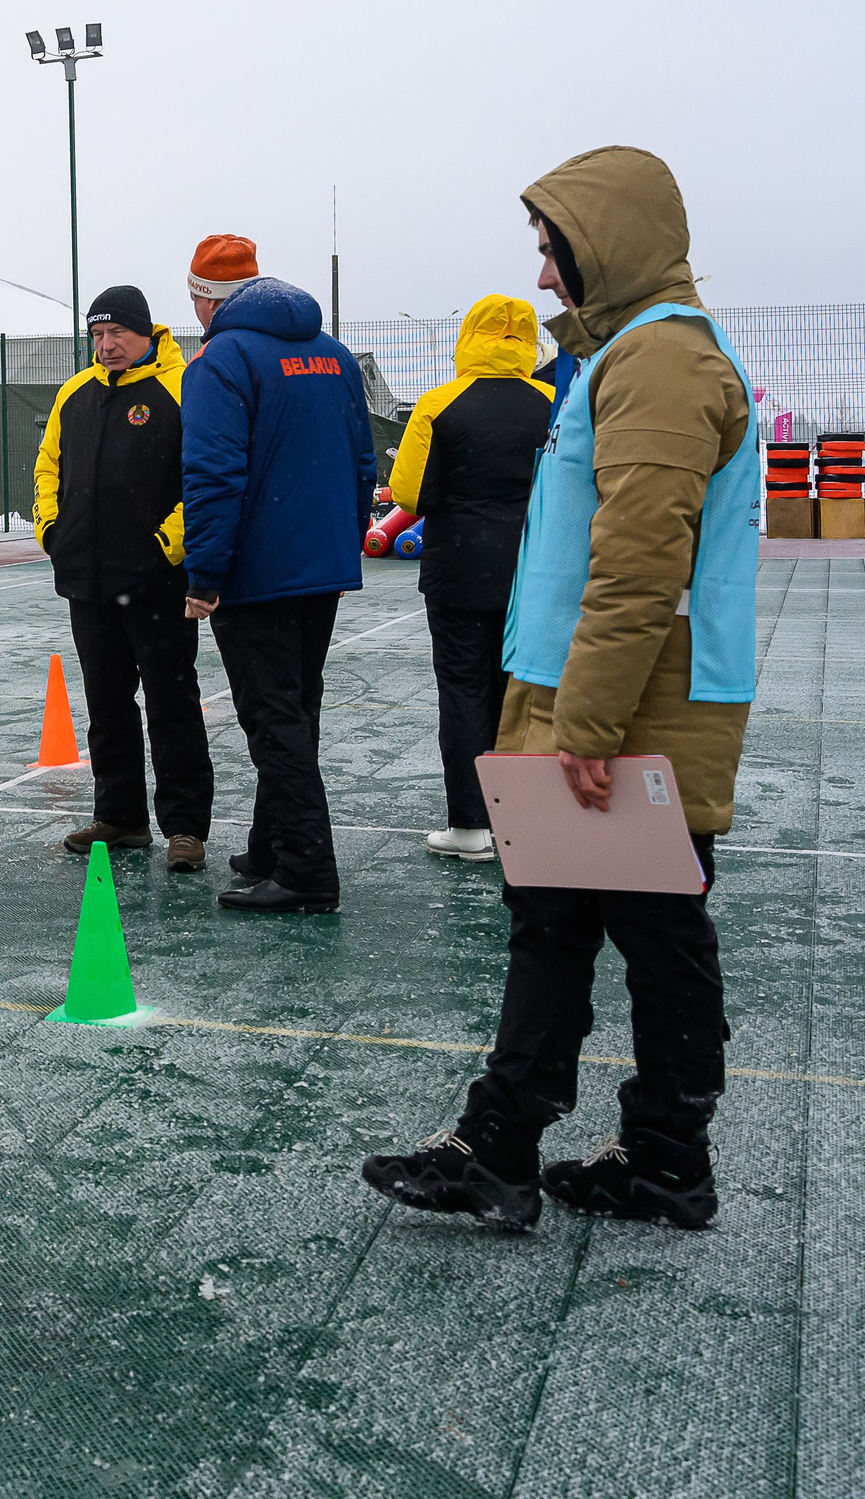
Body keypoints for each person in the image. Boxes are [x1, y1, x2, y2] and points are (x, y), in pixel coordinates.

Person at [364, 145, 758, 1232]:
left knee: (644, 930)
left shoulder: (660, 366)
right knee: (564, 920)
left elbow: (637, 563)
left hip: (620, 706)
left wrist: (582, 721)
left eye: (552, 253)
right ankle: (604, 1150)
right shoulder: (634, 357)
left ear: (605, 247)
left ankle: (612, 1150)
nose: (542, 280)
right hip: (588, 695)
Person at [178, 235, 374, 913]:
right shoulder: (334, 355)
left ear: (206, 300)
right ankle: (272, 844)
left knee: (273, 720)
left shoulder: (219, 361)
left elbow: (211, 475)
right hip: (320, 567)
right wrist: (341, 544)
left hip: (257, 572)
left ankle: (307, 871)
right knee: (299, 706)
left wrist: (203, 573)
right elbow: (362, 462)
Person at [32, 282, 212, 871]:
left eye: (117, 334)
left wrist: (170, 545)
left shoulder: (182, 387)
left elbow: (205, 475)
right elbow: (47, 467)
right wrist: (52, 532)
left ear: (145, 332)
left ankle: (185, 828)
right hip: (87, 580)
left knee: (171, 703)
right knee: (106, 704)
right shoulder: (75, 394)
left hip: (158, 582)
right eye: (98, 335)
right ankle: (121, 816)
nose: (107, 345)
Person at [388, 294, 554, 862]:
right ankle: (525, 820)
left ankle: (470, 825)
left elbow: (408, 494)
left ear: (469, 337)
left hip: (458, 567)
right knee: (522, 693)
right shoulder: (555, 403)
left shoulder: (439, 404)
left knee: (462, 691)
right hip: (535, 567)